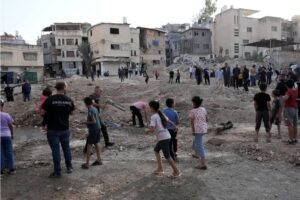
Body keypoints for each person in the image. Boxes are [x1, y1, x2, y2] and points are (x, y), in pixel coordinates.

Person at [41, 82, 74, 178]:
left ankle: (57, 172)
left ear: (56, 88)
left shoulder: (50, 99)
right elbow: (71, 112)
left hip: (53, 129)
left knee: (55, 151)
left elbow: (42, 112)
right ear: (64, 88)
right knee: (66, 148)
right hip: (64, 128)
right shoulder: (69, 100)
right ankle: (69, 167)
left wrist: (50, 113)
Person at [146, 100, 181, 178]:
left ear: (152, 108)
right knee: (156, 150)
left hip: (163, 138)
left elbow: (152, 129)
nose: (148, 108)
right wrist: (174, 126)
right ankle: (160, 168)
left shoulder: (154, 116)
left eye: (149, 107)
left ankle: (176, 171)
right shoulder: (160, 113)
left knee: (167, 156)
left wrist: (147, 131)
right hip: (166, 136)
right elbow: (169, 121)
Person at [81, 97, 103, 169]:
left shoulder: (90, 110)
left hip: (93, 129)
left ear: (86, 103)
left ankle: (87, 164)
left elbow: (93, 121)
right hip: (98, 128)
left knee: (89, 145)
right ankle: (99, 160)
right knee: (96, 143)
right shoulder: (95, 108)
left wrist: (84, 122)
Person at [189, 96, 208, 170]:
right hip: (204, 128)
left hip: (198, 130)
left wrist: (193, 131)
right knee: (196, 143)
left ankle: (203, 164)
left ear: (194, 103)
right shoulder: (203, 109)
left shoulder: (192, 111)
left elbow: (192, 122)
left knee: (199, 146)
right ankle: (196, 154)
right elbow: (207, 119)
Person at [0, 99, 15, 175]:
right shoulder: (6, 115)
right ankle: (11, 168)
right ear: (2, 106)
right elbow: (10, 126)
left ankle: (1, 170)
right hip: (7, 135)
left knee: (0, 153)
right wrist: (12, 134)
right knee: (9, 151)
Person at [282, 80, 298, 144]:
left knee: (289, 124)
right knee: (295, 124)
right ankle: (294, 138)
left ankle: (290, 139)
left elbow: (286, 98)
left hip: (289, 108)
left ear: (287, 85)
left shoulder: (288, 91)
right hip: (295, 108)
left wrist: (282, 97)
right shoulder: (296, 91)